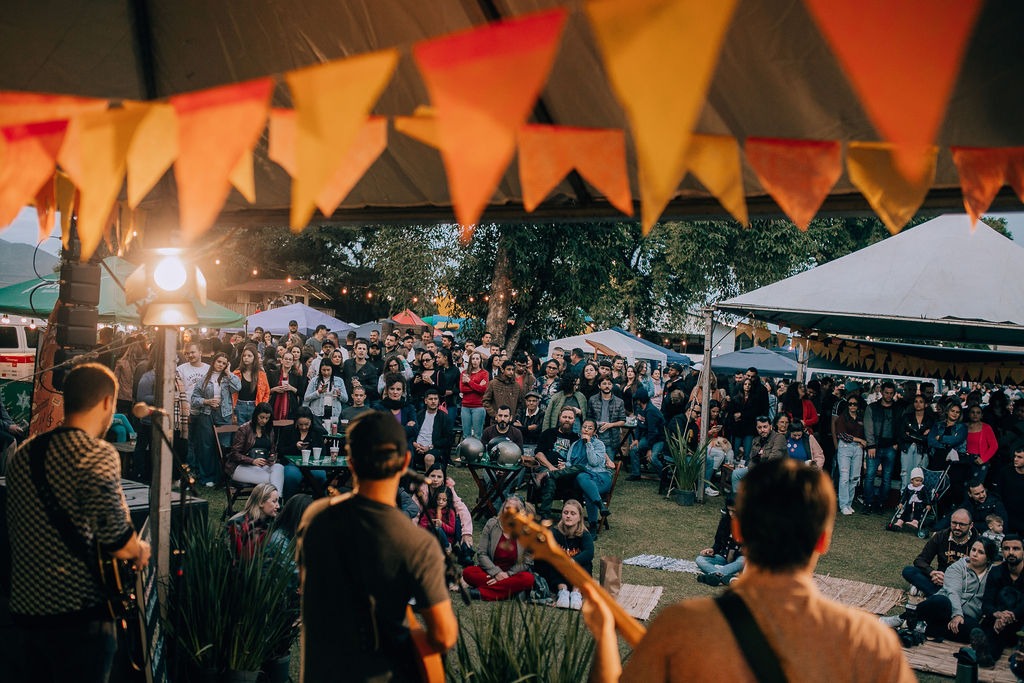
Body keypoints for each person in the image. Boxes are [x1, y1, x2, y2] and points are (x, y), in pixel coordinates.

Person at [582, 457, 914, 681]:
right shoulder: (873, 644)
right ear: (823, 541)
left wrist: (604, 633)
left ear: (738, 530)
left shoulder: (680, 627)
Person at [6, 363, 151, 683]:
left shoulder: (23, 455)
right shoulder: (94, 453)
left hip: (25, 615)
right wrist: (139, 549)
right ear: (106, 404)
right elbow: (116, 539)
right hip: (77, 618)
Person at [297, 411, 458, 681]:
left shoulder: (315, 517)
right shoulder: (417, 543)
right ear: (406, 461)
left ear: (350, 461)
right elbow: (444, 635)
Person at [887, 539, 997, 643]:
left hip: (967, 615)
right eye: (973, 550)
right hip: (946, 607)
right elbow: (954, 592)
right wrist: (957, 614)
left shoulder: (993, 574)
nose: (974, 554)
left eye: (980, 552)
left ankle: (923, 628)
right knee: (941, 600)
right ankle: (902, 618)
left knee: (974, 631)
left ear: (988, 558)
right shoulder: (958, 567)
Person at [461, 495, 536, 601]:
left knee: (528, 579)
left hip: (513, 574)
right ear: (503, 508)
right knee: (468, 572)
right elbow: (482, 553)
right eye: (507, 508)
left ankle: (480, 593)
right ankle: (510, 592)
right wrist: (497, 573)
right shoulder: (492, 524)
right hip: (490, 572)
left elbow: (527, 561)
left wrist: (507, 574)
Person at [190, 352, 242, 487]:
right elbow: (194, 399)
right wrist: (207, 401)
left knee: (224, 446)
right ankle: (207, 477)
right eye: (219, 361)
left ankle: (223, 477)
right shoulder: (203, 379)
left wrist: (229, 372)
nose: (221, 365)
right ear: (214, 361)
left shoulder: (228, 378)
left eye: (224, 363)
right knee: (206, 446)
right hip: (207, 414)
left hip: (224, 414)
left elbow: (238, 387)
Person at [972, 535, 1024, 667]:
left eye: (1016, 548)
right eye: (1006, 548)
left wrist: (1011, 616)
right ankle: (986, 656)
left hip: (1021, 621)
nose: (1011, 552)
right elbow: (987, 604)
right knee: (994, 631)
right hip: (998, 622)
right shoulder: (996, 572)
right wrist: (998, 615)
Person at [901, 508, 977, 597]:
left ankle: (932, 593)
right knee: (908, 571)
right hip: (939, 579)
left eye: (962, 524)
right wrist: (932, 572)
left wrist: (952, 581)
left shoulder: (978, 542)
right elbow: (920, 560)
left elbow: (980, 574)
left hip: (963, 583)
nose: (957, 527)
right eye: (954, 523)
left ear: (971, 525)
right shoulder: (940, 536)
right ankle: (940, 595)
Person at [533, 499, 593, 610]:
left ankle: (576, 593)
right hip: (558, 574)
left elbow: (589, 553)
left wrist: (572, 561)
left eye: (572, 513)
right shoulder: (555, 532)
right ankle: (563, 592)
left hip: (576, 573)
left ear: (579, 517)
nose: (568, 516)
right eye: (565, 513)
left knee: (586, 563)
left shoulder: (584, 534)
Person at [225, 402, 286, 496]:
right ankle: (276, 502)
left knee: (279, 467)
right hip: (240, 466)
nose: (264, 421)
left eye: (267, 418)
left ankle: (273, 502)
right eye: (261, 417)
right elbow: (234, 454)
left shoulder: (269, 430)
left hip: (263, 466)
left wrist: (272, 458)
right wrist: (252, 461)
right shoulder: (244, 429)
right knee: (272, 479)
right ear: (256, 415)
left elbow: (272, 451)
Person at [862, 381, 901, 514]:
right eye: (886, 393)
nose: (889, 395)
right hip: (875, 446)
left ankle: (881, 503)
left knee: (887, 477)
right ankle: (868, 502)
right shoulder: (872, 407)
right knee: (870, 476)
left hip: (891, 447)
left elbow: (902, 426)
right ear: (881, 392)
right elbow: (868, 427)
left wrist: (897, 443)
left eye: (891, 393)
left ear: (894, 393)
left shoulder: (897, 408)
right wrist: (871, 445)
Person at [729, 415, 786, 492]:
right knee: (736, 473)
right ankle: (738, 499)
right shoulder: (756, 439)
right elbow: (752, 459)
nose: (762, 430)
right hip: (758, 469)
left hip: (774, 471)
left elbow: (773, 459)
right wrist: (750, 469)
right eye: (759, 427)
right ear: (756, 428)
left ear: (770, 426)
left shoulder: (779, 438)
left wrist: (761, 455)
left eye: (765, 427)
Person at [695, 497, 743, 586]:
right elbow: (718, 542)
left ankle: (715, 576)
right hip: (724, 556)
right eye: (729, 510)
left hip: (739, 559)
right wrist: (712, 549)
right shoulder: (725, 520)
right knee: (700, 559)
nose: (731, 514)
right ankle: (727, 577)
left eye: (734, 511)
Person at [226, 482, 280, 559]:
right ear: (261, 502)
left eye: (278, 501)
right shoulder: (237, 524)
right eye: (274, 501)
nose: (278, 506)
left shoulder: (273, 522)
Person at [833, 395, 867, 515]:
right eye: (850, 404)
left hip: (858, 449)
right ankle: (843, 504)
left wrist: (862, 442)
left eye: (855, 404)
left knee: (855, 477)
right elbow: (842, 435)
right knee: (844, 477)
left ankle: (848, 503)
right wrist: (859, 440)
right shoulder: (842, 417)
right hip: (845, 447)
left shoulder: (861, 418)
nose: (852, 406)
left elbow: (865, 433)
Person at [626, 388, 666, 482]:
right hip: (648, 437)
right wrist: (636, 439)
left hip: (658, 439)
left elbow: (654, 432)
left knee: (653, 458)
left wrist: (649, 449)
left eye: (637, 399)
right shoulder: (641, 409)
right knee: (634, 448)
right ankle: (636, 474)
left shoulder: (651, 411)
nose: (636, 401)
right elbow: (639, 426)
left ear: (640, 400)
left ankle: (665, 477)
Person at [412, 387, 454, 471]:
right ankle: (407, 483)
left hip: (435, 448)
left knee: (429, 458)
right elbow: (412, 432)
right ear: (425, 401)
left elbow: (448, 439)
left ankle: (430, 483)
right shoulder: (419, 415)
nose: (433, 401)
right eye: (430, 399)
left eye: (436, 399)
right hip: (417, 446)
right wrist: (414, 444)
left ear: (439, 400)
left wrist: (429, 447)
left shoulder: (444, 417)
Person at [899, 393, 935, 489]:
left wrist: (911, 435)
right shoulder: (907, 417)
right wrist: (920, 437)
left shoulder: (930, 420)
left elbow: (928, 439)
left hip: (921, 450)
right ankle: (904, 498)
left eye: (921, 402)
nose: (918, 404)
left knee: (918, 474)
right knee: (905, 472)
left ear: (926, 404)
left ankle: (917, 498)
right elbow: (902, 435)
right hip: (907, 447)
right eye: (916, 401)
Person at [587, 377, 626, 459]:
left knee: (608, 465)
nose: (607, 386)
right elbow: (588, 418)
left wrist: (610, 425)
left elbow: (623, 421)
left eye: (609, 384)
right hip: (595, 437)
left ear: (612, 386)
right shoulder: (592, 399)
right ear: (599, 386)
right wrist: (595, 424)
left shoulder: (619, 402)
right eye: (604, 384)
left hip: (611, 439)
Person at [233, 343, 270, 425]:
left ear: (254, 358)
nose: (246, 358)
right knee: (240, 433)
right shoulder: (236, 373)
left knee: (253, 432)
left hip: (255, 405)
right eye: (244, 355)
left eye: (249, 356)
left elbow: (267, 392)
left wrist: (262, 406)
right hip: (239, 406)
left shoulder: (261, 374)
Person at [267, 348, 306, 421]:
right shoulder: (273, 374)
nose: (288, 361)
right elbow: (266, 391)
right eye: (286, 359)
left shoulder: (297, 376)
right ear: (282, 361)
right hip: (274, 405)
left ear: (292, 362)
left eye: (290, 359)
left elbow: (302, 393)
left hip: (291, 407)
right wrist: (274, 389)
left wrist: (291, 388)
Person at [890, 467, 931, 531]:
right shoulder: (909, 487)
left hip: (919, 504)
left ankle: (915, 522)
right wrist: (901, 503)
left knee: (917, 512)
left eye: (920, 481)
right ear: (912, 480)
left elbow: (927, 496)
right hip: (910, 504)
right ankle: (900, 522)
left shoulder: (923, 488)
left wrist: (928, 504)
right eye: (917, 481)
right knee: (906, 512)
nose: (919, 482)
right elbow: (904, 496)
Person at [459, 351, 489, 440]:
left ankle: (477, 453)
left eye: (477, 358)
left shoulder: (484, 373)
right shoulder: (464, 373)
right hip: (465, 406)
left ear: (480, 361)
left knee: (477, 435)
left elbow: (483, 389)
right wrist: (477, 385)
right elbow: (462, 389)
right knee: (466, 434)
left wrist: (469, 381)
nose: (475, 361)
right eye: (473, 358)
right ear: (470, 360)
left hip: (478, 407)